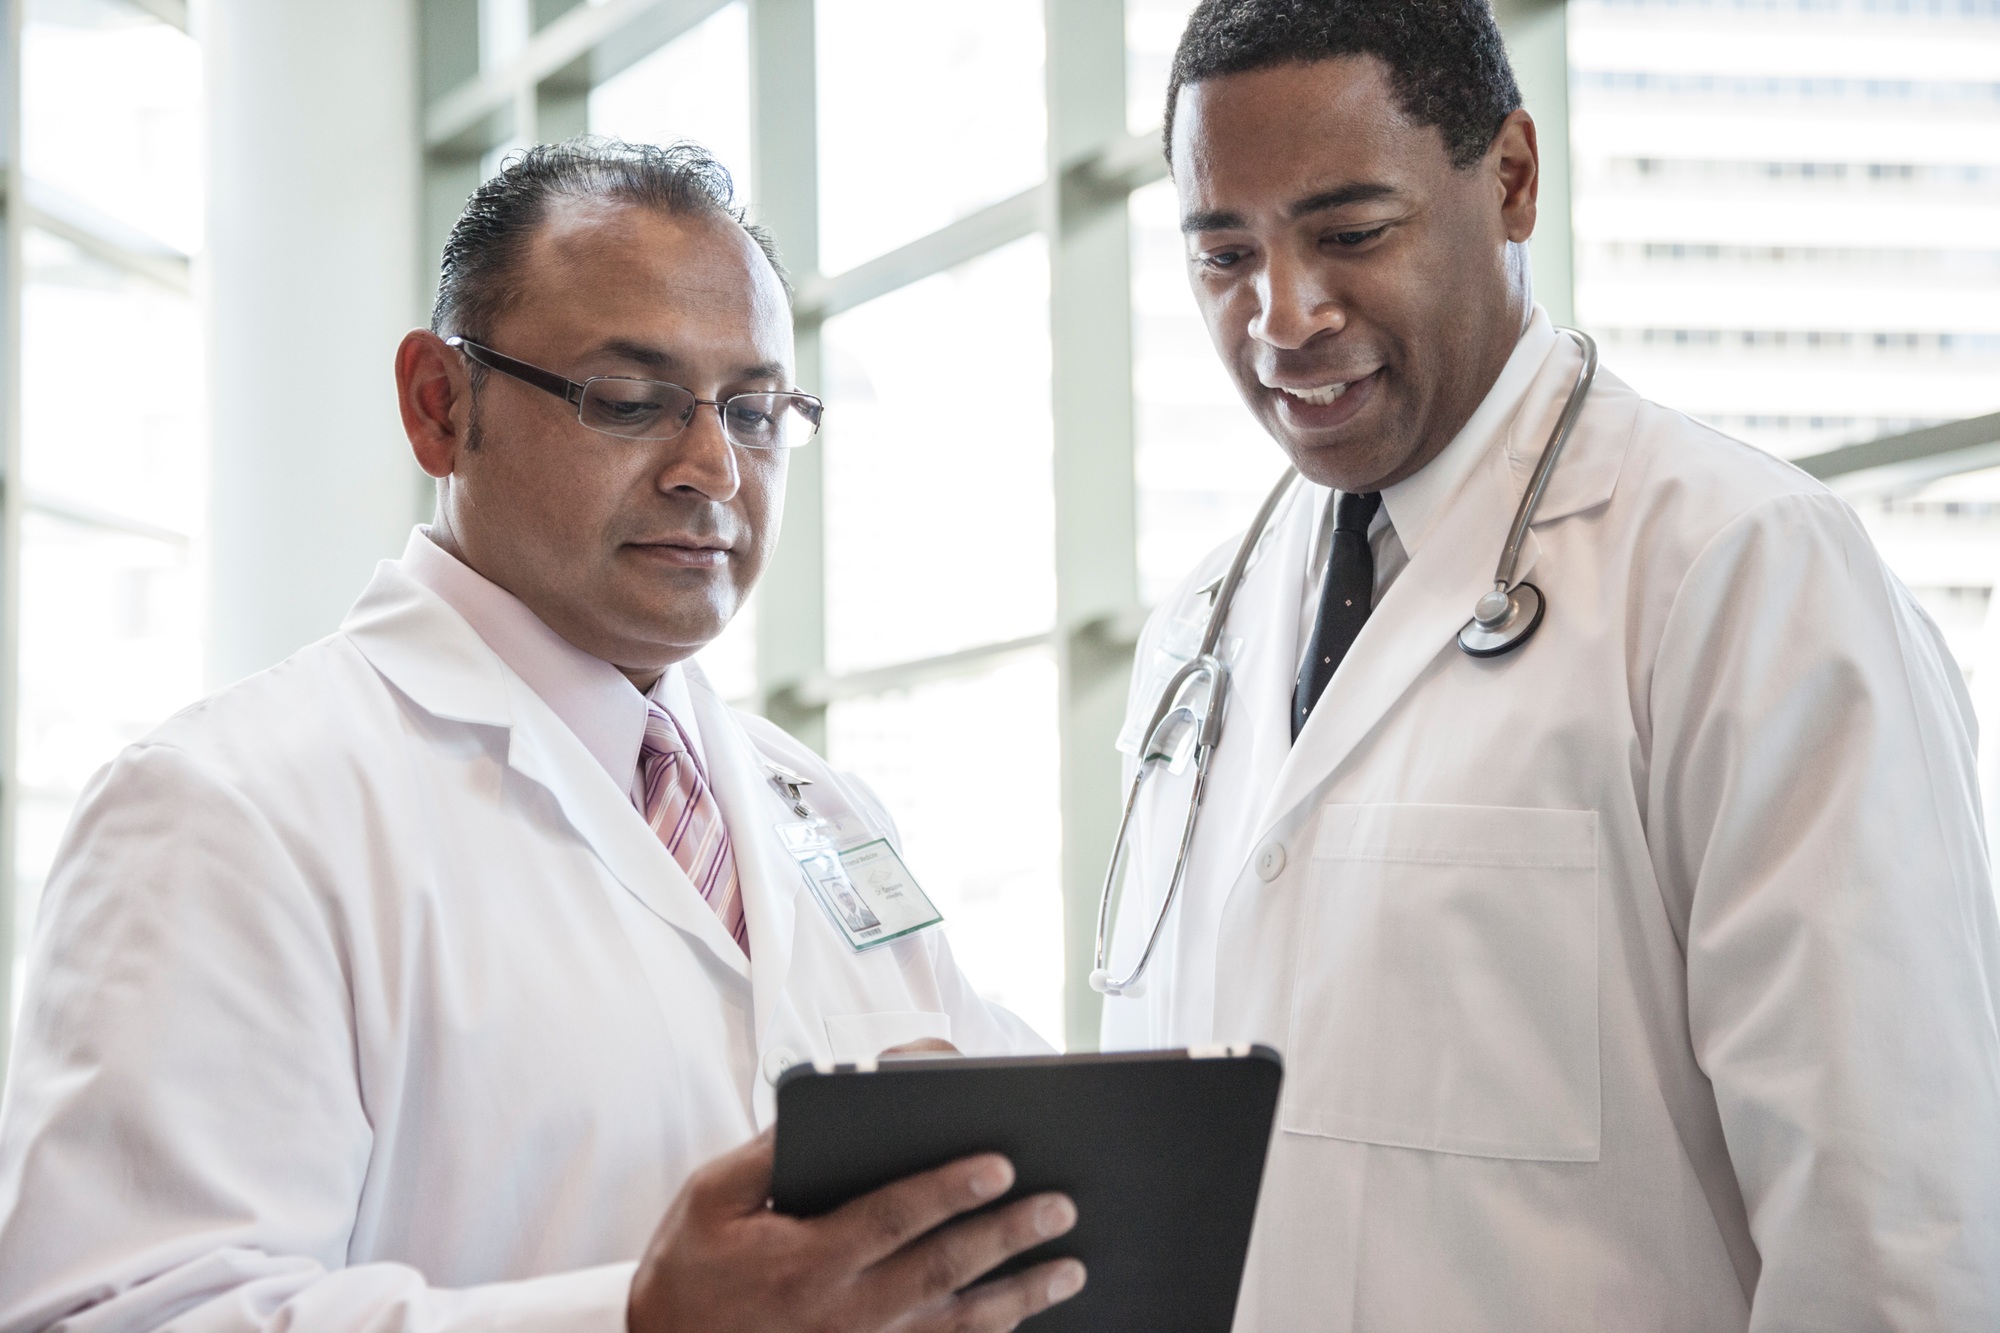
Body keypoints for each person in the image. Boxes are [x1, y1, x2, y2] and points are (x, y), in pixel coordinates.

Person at [0, 140, 1085, 1333]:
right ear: (439, 405)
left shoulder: (814, 804)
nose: (712, 467)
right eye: (629, 401)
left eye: (757, 411)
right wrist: (634, 1320)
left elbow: (1030, 1164)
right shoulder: (225, 811)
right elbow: (120, 1315)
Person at [1098, 2, 2000, 1328]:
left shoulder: (1738, 568)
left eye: (1350, 233)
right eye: (1224, 253)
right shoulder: (1203, 624)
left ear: (1512, 178)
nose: (1279, 315)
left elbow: (1894, 1228)